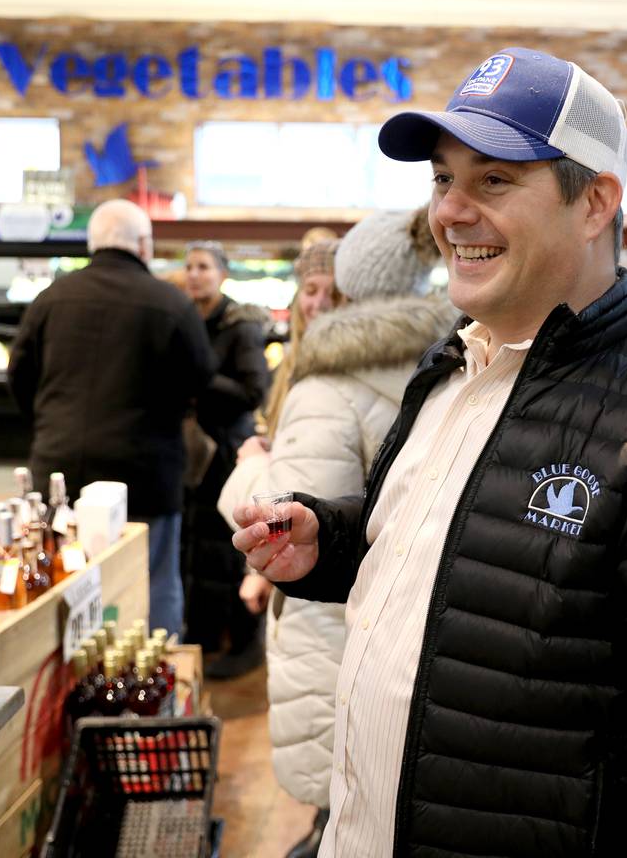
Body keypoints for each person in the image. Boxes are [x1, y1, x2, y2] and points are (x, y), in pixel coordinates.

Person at [231, 47, 627, 856]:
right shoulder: (455, 364)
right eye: (441, 179)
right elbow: (469, 549)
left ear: (595, 201)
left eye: (493, 180)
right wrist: (336, 538)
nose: (451, 211)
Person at [217, 206, 454, 858]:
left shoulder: (326, 385)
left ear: (345, 289)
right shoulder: (455, 367)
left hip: (332, 626)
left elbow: (280, 520)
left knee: (340, 801)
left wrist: (251, 468)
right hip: (416, 630)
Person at [8, 198, 214, 637]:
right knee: (153, 582)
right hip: (146, 471)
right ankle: (157, 685)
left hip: (60, 468)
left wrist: (49, 424)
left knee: (64, 579)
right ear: (143, 244)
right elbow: (201, 379)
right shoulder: (171, 304)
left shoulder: (51, 299)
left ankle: (70, 689)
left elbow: (18, 376)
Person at [180, 240, 272, 677]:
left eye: (203, 266)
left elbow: (254, 391)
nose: (194, 274)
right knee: (199, 549)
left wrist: (201, 380)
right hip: (195, 450)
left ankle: (244, 643)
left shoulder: (240, 326)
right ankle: (204, 636)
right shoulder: (185, 320)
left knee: (229, 545)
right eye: (189, 267)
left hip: (228, 450)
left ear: (222, 273)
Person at [262, 238, 343, 443]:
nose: (319, 303)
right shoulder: (292, 360)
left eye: (334, 293)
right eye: (311, 290)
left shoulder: (345, 368)